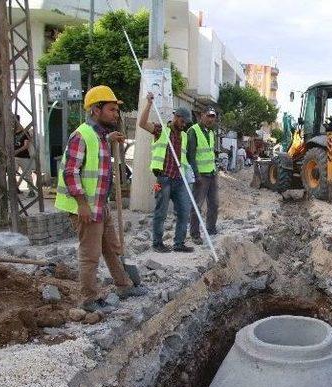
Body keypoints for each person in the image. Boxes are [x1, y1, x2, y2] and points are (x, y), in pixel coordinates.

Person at [55, 85, 146, 313]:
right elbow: (70, 172)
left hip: (100, 205)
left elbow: (97, 152)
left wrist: (110, 138)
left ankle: (124, 286)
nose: (116, 114)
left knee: (112, 247)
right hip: (85, 208)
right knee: (90, 255)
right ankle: (88, 299)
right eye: (112, 110)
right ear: (96, 110)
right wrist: (82, 205)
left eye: (116, 110)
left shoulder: (99, 135)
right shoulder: (81, 135)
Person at [139, 92, 194, 253]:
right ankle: (157, 243)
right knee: (161, 213)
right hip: (163, 179)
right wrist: (148, 104)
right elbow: (142, 123)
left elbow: (184, 158)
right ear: (176, 117)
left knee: (184, 211)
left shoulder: (184, 136)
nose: (184, 125)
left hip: (179, 179)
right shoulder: (160, 130)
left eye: (186, 123)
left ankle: (179, 243)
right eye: (183, 121)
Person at [187, 107, 219, 245]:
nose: (211, 119)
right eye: (208, 116)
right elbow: (191, 155)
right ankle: (195, 234)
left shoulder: (211, 133)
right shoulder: (193, 131)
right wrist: (196, 174)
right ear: (201, 115)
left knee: (214, 204)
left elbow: (210, 153)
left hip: (212, 173)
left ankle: (211, 228)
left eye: (213, 116)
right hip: (201, 175)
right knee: (197, 205)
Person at [13, 115, 35, 198]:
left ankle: (31, 190)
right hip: (14, 157)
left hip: (24, 157)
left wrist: (16, 151)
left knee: (28, 174)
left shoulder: (24, 132)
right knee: (12, 174)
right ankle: (15, 189)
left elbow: (26, 146)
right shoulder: (11, 133)